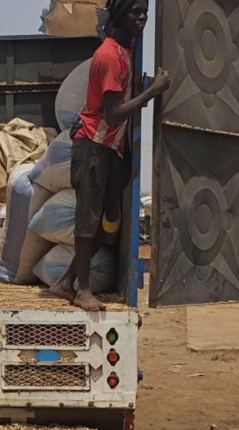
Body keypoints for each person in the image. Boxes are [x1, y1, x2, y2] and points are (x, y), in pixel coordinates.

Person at [50, 0, 170, 310]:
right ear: (119, 16)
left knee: (108, 224)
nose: (142, 16)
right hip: (93, 147)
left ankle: (65, 281)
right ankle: (82, 290)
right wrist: (152, 91)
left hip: (108, 149)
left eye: (145, 11)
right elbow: (114, 114)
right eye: (135, 12)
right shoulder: (109, 57)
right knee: (88, 221)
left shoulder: (123, 50)